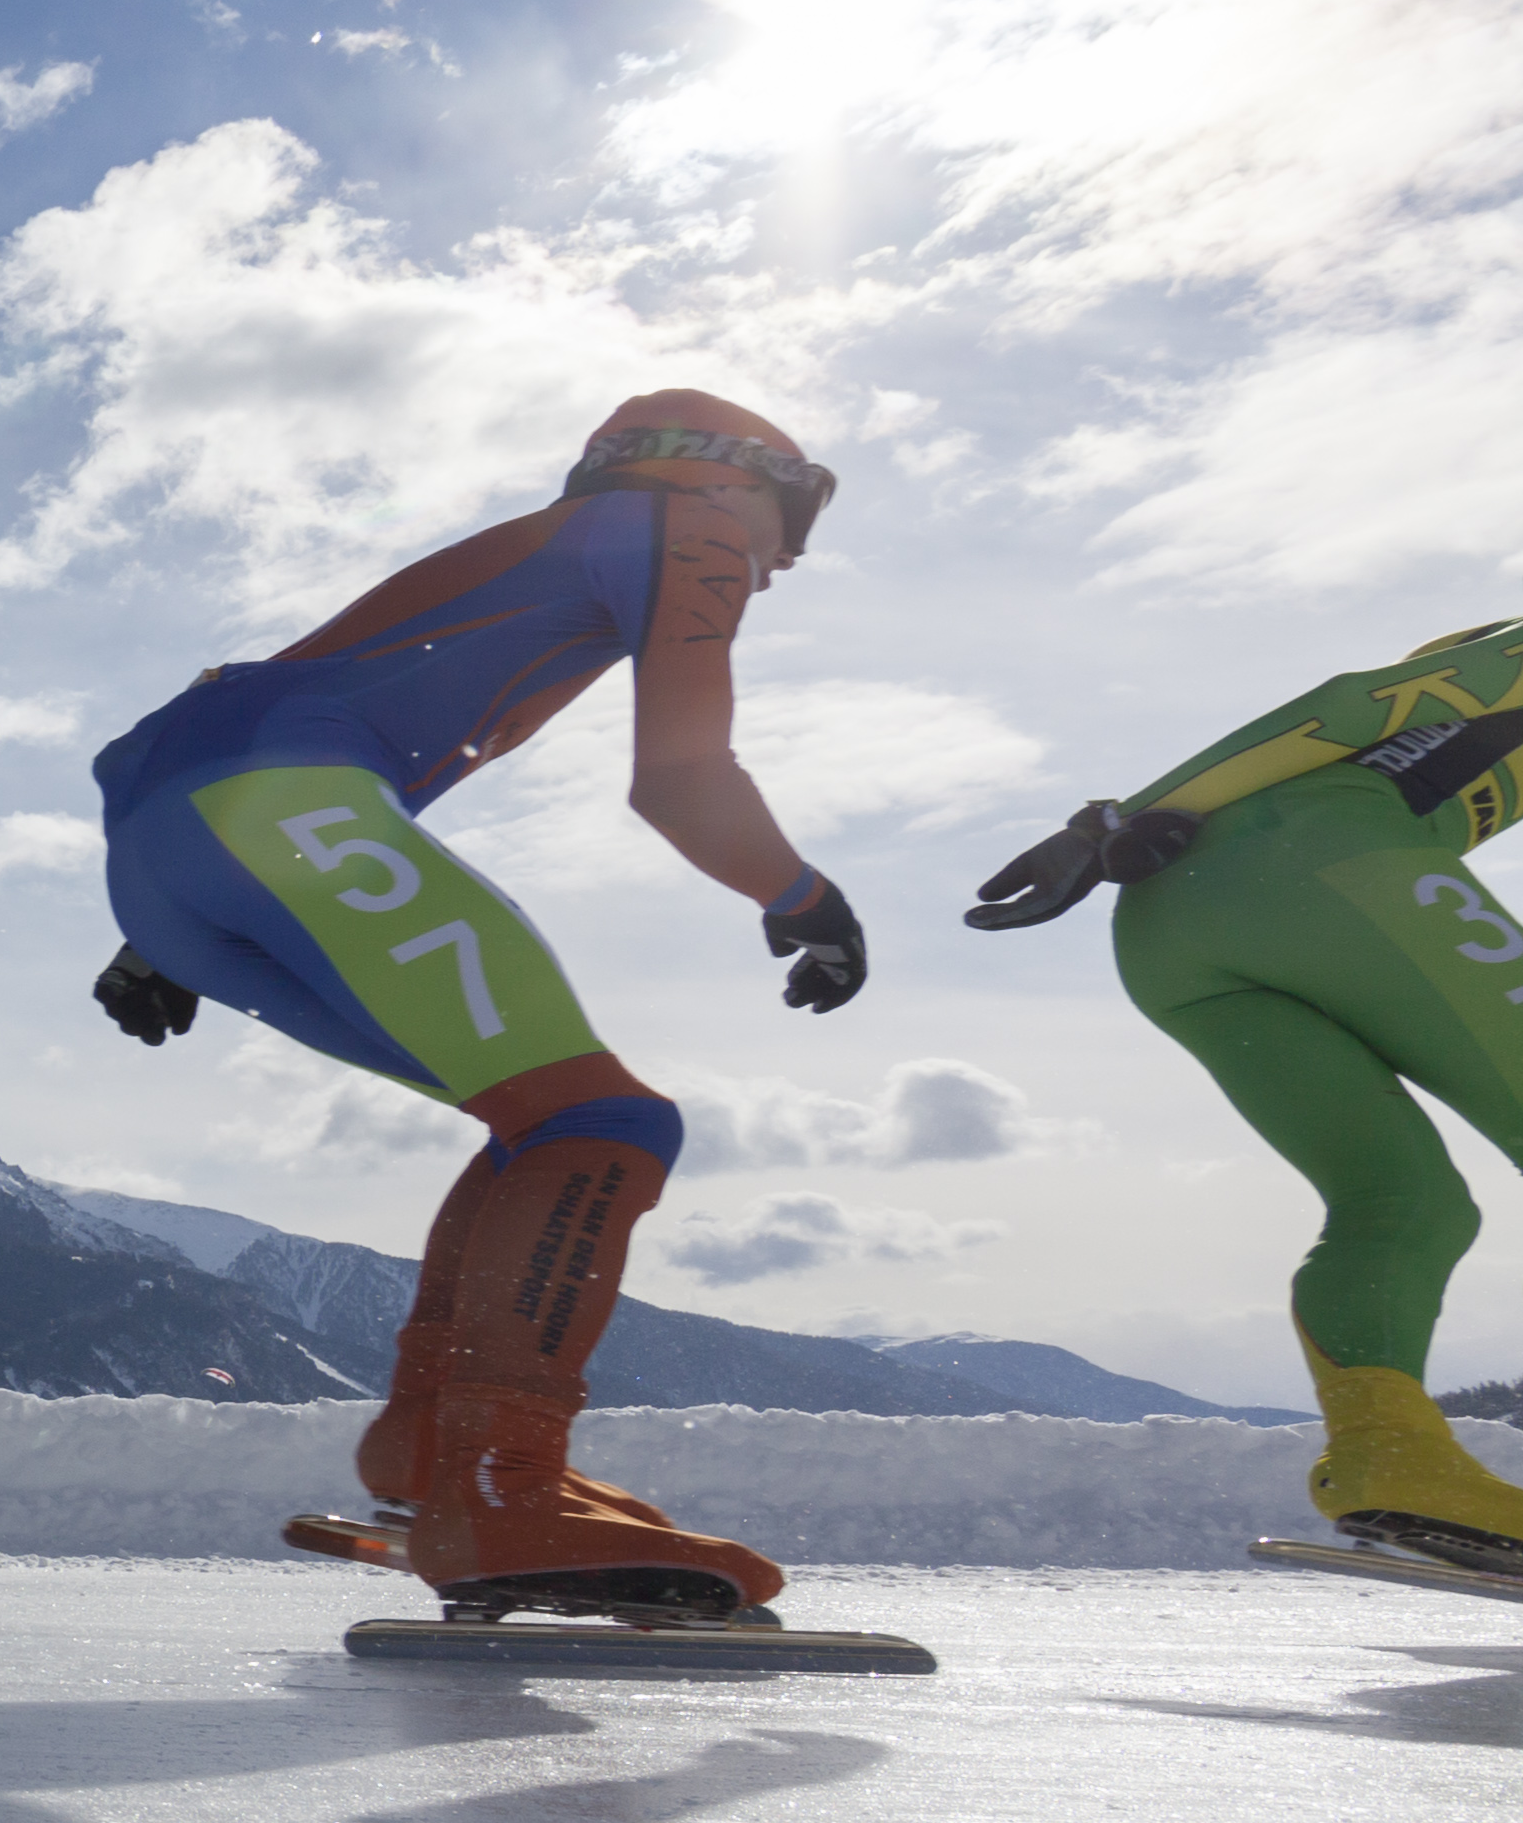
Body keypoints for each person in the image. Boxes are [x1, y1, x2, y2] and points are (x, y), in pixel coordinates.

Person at [85, 395, 864, 1624]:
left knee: (539, 1119)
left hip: (176, 843)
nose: (788, 562)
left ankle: (436, 1457)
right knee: (608, 1125)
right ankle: (500, 1483)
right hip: (279, 806)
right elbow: (679, 776)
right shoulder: (690, 532)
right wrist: (800, 893)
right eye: (797, 516)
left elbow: (301, 716)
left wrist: (152, 940)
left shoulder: (547, 557)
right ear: (730, 475)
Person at [962, 619, 1523, 1572]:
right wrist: (1109, 822)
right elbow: (1354, 706)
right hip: (1317, 858)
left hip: (1176, 931)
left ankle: (1393, 1457)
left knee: (1407, 1206)